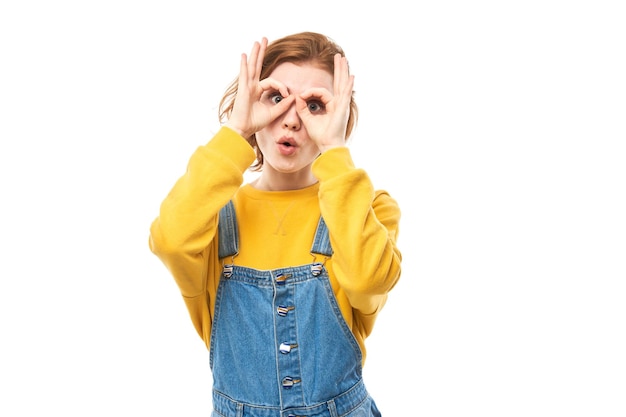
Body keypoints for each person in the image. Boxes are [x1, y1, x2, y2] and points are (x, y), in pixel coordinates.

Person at [149, 31, 402, 417]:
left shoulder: (368, 208)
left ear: (338, 119)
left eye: (315, 106)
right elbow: (169, 240)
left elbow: (370, 281)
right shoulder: (213, 216)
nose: (292, 120)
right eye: (276, 98)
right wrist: (236, 133)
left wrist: (334, 153)